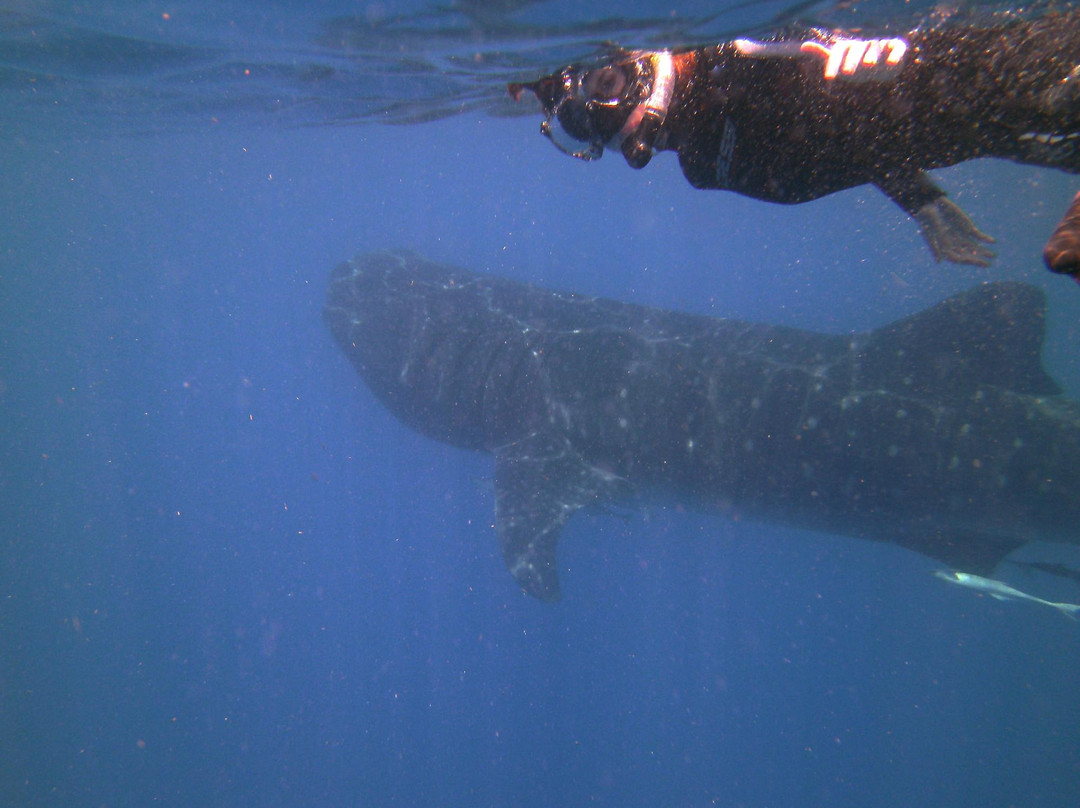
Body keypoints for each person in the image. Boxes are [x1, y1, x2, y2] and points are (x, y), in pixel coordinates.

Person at [509, 9, 1080, 279]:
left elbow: (850, 97)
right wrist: (918, 194)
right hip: (995, 133)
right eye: (591, 128)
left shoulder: (729, 53)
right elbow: (822, 169)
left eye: (606, 87)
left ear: (631, 64)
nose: (617, 124)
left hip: (999, 72)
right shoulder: (705, 167)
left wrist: (916, 195)